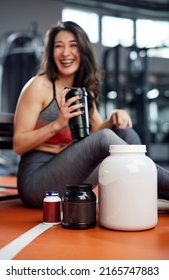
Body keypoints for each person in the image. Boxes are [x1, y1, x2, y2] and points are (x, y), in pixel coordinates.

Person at [13, 21, 169, 208]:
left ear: (83, 51)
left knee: (124, 131)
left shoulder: (82, 90)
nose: (65, 53)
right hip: (37, 183)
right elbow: (19, 144)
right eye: (59, 46)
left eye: (73, 46)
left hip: (72, 175)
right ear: (51, 53)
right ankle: (160, 186)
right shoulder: (39, 85)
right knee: (105, 138)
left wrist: (113, 118)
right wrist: (57, 124)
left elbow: (96, 134)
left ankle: (151, 193)